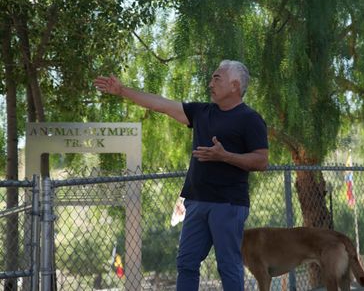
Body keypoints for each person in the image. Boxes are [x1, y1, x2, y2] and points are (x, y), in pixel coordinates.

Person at [94, 60, 269, 291]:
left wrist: (225, 156)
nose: (210, 83)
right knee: (186, 263)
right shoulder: (201, 112)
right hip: (195, 202)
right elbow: (161, 104)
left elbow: (262, 161)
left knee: (228, 265)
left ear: (235, 85)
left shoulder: (250, 119)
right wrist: (122, 90)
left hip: (228, 204)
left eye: (217, 78)